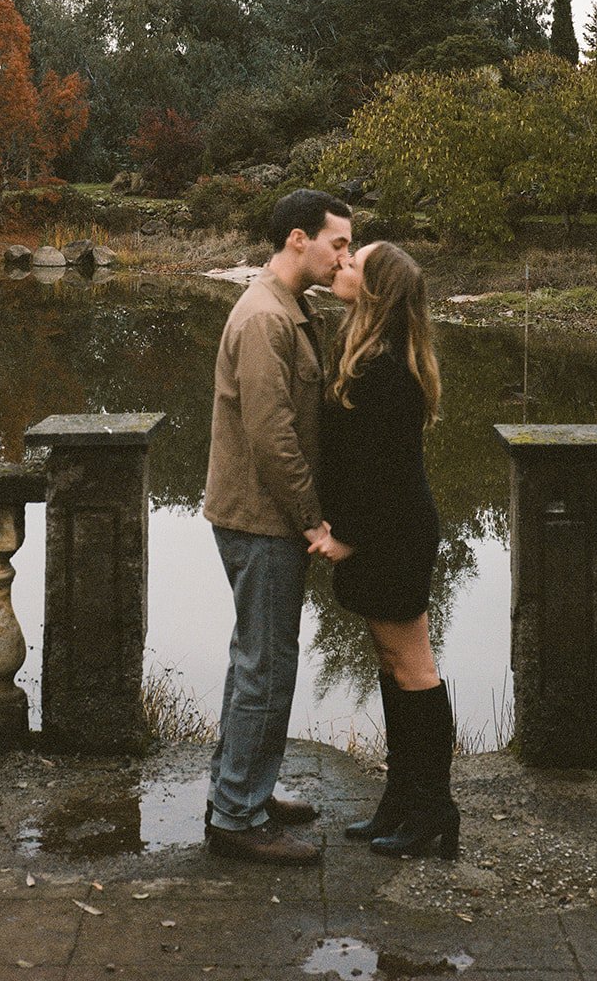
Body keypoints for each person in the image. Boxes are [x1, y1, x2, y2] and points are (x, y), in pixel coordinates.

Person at [203, 187, 353, 865]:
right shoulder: (265, 317)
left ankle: (245, 793)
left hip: (262, 520)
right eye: (338, 243)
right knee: (266, 669)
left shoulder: (290, 307)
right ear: (299, 237)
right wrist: (313, 521)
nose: (343, 256)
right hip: (262, 522)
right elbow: (273, 438)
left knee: (257, 662)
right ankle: (237, 818)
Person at [309, 241, 459, 859]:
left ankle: (435, 812)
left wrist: (347, 536)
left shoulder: (388, 369)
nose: (340, 265)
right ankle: (401, 801)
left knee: (414, 670)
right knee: (392, 666)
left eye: (352, 264)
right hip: (385, 530)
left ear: (375, 290)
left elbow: (382, 473)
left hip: (394, 534)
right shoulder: (365, 350)